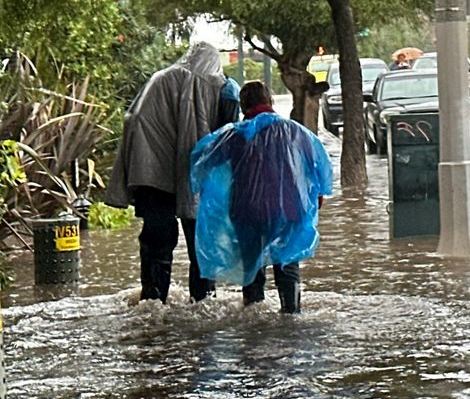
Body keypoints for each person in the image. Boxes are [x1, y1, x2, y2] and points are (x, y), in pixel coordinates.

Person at [106, 42, 240, 303]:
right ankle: (203, 303)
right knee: (201, 242)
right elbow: (226, 138)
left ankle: (153, 302)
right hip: (184, 174)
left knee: (157, 242)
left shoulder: (160, 78)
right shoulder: (214, 86)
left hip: (147, 173)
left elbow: (133, 121)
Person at [189, 80, 332, 313]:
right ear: (270, 101)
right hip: (289, 209)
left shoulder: (234, 135)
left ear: (243, 105)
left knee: (252, 268)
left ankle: (254, 319)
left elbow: (203, 163)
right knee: (287, 262)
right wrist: (316, 198)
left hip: (248, 211)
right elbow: (319, 168)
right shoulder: (295, 131)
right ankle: (291, 313)